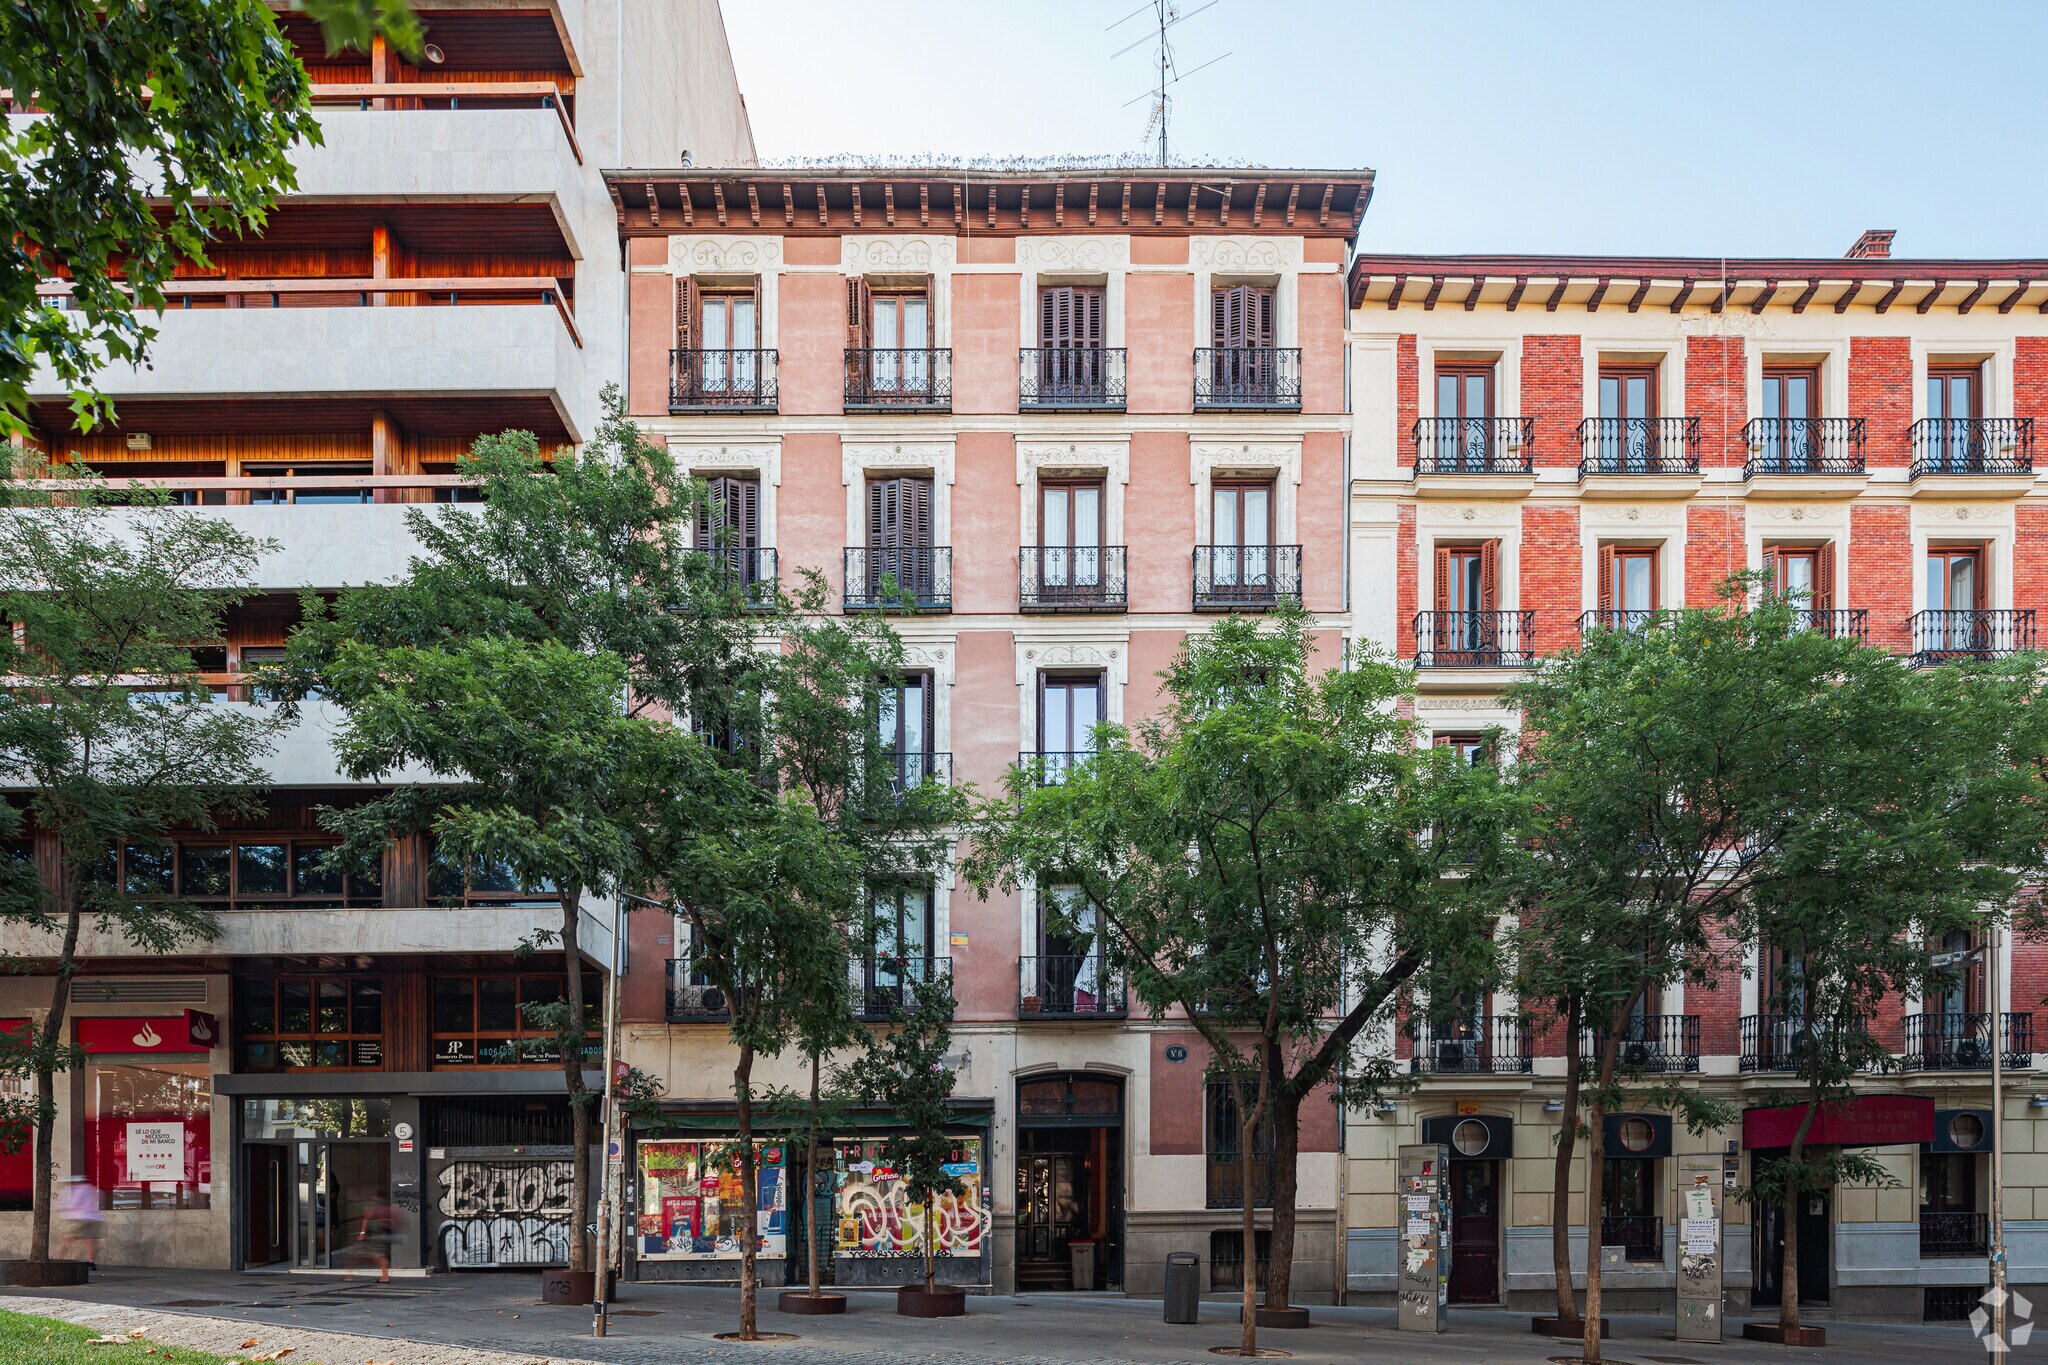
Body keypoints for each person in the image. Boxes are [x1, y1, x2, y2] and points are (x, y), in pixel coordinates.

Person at [55, 1175, 103, 1269]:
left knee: (66, 1240)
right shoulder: (94, 1189)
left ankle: (58, 1261)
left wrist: (61, 1208)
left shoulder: (78, 1190)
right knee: (90, 1241)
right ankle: (91, 1263)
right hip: (94, 1218)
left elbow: (74, 1204)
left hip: (77, 1218)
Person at [349, 1192, 398, 1284]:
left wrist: (362, 1233)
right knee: (380, 1255)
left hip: (376, 1234)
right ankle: (384, 1276)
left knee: (377, 1255)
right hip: (383, 1232)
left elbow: (366, 1219)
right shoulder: (386, 1208)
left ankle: (384, 1277)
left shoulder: (374, 1207)